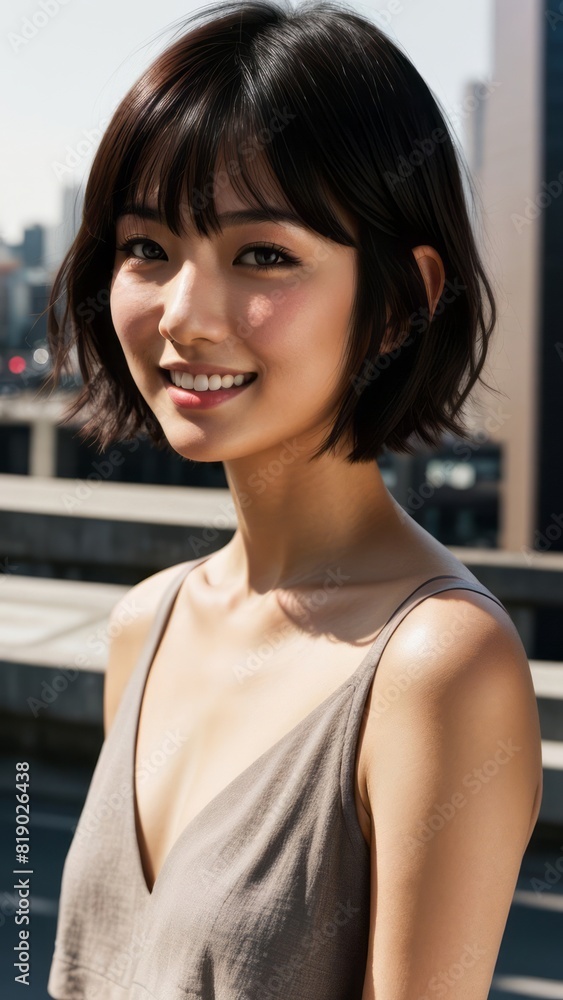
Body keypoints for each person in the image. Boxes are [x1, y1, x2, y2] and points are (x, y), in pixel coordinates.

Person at [46, 1, 543, 997]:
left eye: (261, 255)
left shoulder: (434, 667)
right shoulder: (147, 623)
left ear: (401, 298)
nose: (184, 314)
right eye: (146, 247)